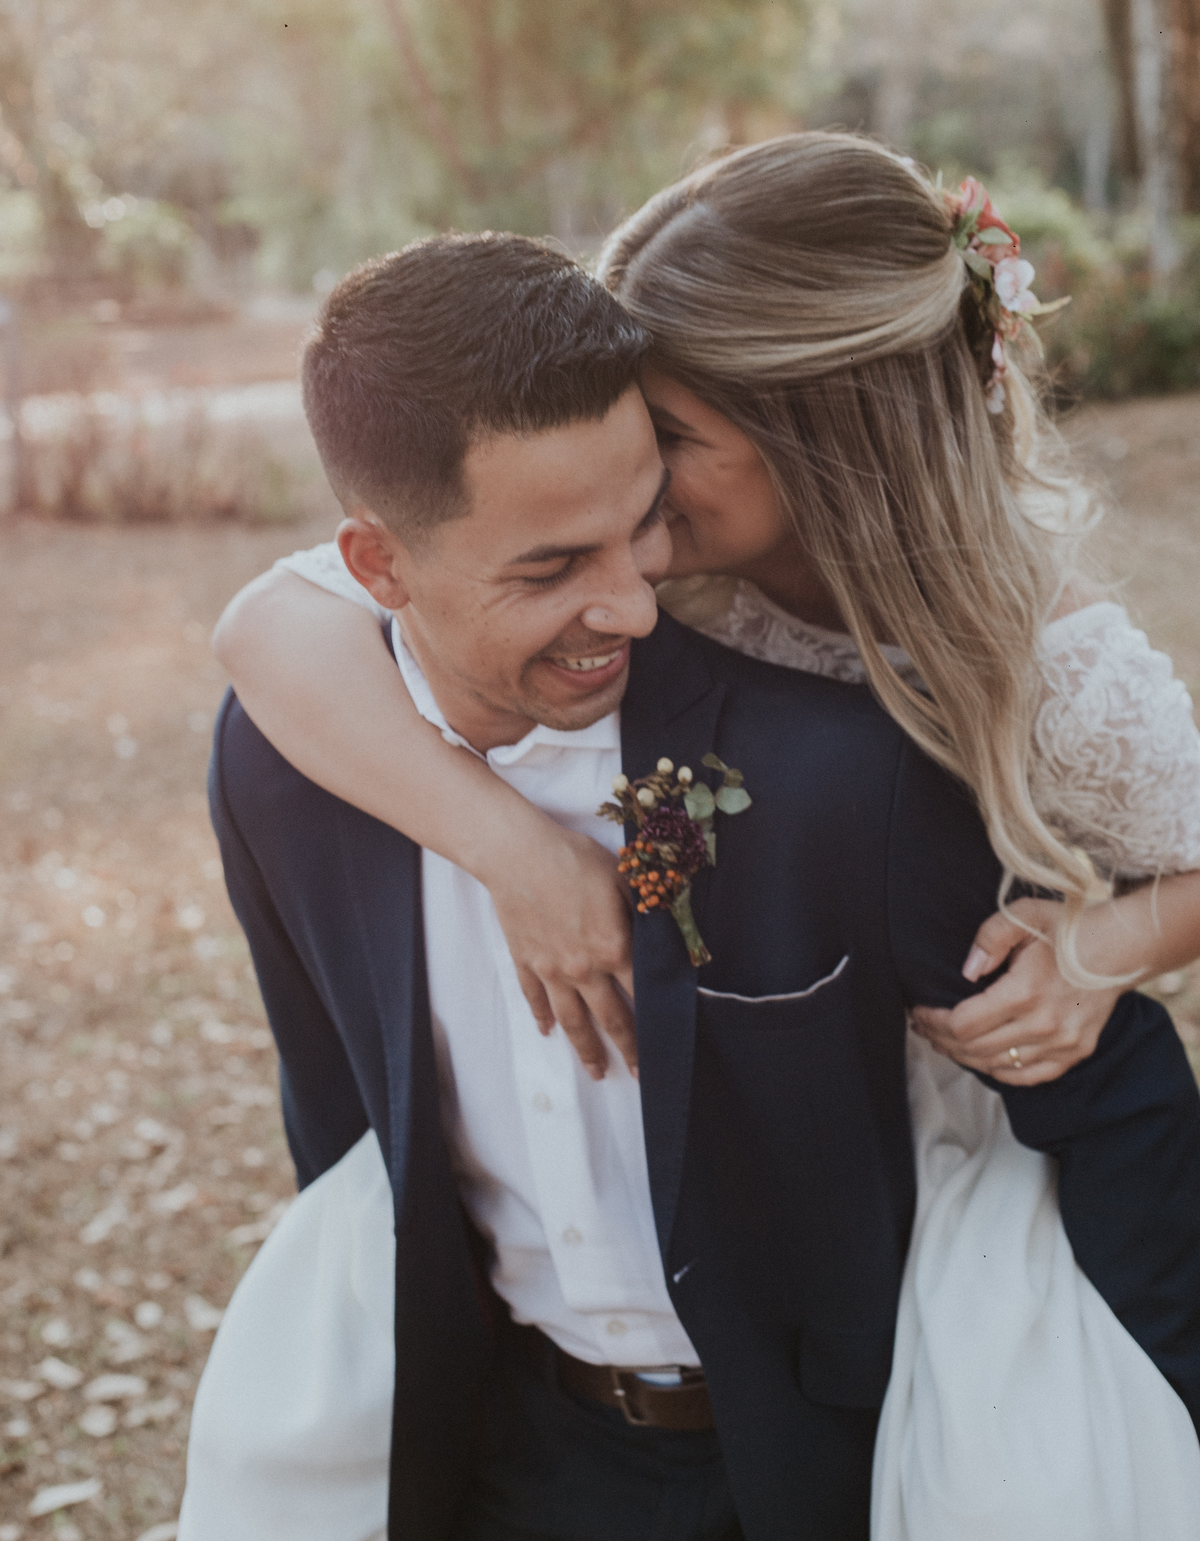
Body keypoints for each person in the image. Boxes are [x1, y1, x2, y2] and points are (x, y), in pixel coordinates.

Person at [181, 182, 1200, 1541]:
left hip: (832, 1393)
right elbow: (267, 634)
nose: (634, 590)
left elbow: (1121, 1093)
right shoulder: (318, 750)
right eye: (564, 556)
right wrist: (508, 848)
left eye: (659, 470)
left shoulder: (908, 729)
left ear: (816, 457)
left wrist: (1098, 948)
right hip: (523, 1432)